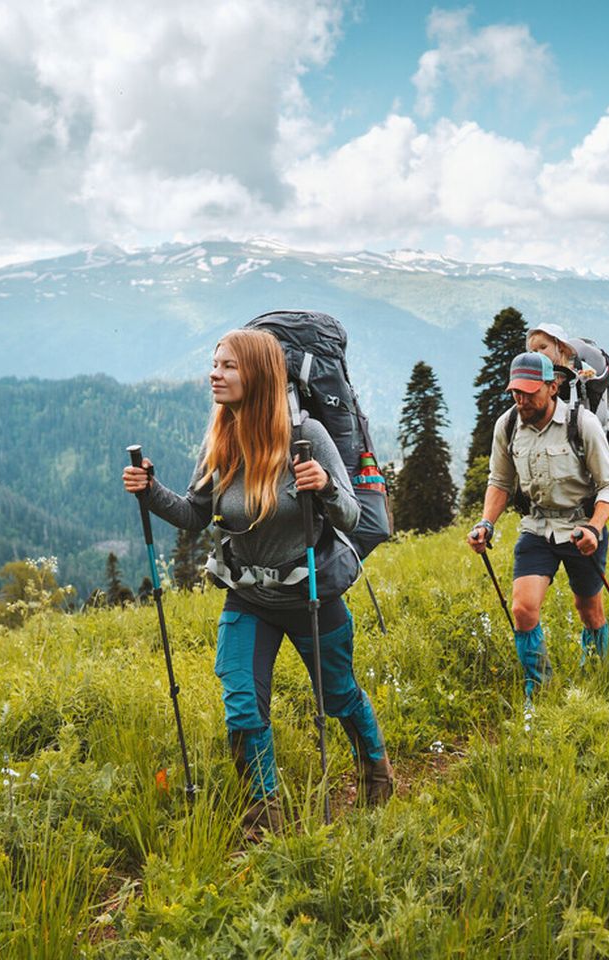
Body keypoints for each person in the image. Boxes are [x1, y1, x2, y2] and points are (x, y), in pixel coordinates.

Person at [123, 328, 393, 841]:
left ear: (259, 375)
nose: (214, 373)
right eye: (214, 363)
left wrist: (327, 486)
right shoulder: (221, 439)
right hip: (247, 597)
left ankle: (376, 775)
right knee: (243, 706)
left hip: (310, 594)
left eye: (227, 366)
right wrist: (151, 490)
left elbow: (352, 514)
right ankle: (262, 822)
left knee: (337, 696)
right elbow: (194, 515)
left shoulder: (306, 435)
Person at [466, 351, 609, 700]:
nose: (521, 399)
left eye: (529, 392)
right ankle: (539, 689)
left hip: (582, 528)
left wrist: (595, 529)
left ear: (553, 387)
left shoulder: (581, 424)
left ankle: (597, 675)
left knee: (589, 610)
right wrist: (485, 524)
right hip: (537, 527)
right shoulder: (507, 427)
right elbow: (500, 482)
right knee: (522, 608)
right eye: (515, 392)